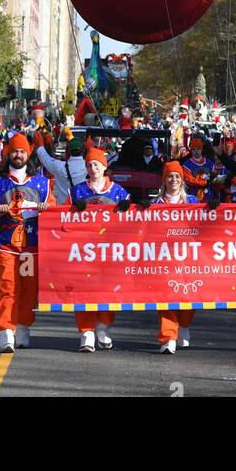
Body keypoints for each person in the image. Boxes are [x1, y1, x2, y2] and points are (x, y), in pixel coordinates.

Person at [0, 132, 55, 352]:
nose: (18, 155)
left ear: (28, 154)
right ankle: (6, 332)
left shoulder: (42, 183)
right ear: (8, 154)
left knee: (29, 289)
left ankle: (23, 327)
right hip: (5, 245)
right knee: (8, 288)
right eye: (14, 151)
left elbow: (53, 206)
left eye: (22, 151)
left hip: (31, 247)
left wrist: (46, 208)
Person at [66, 144, 130, 352]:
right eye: (89, 165)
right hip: (83, 250)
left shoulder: (119, 191)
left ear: (104, 167)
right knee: (83, 290)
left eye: (97, 164)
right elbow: (62, 219)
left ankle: (103, 327)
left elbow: (132, 221)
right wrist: (73, 209)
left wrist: (129, 208)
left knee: (109, 290)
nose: (93, 168)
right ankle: (86, 332)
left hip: (110, 250)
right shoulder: (77, 191)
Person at [153, 161, 199, 352]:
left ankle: (184, 325)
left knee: (191, 294)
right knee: (166, 297)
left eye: (177, 176)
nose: (174, 180)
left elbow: (208, 223)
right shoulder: (156, 203)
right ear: (164, 180)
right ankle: (169, 337)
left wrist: (212, 208)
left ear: (182, 180)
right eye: (170, 176)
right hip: (165, 258)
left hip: (190, 258)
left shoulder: (193, 202)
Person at [34, 130, 88, 204]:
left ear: (68, 151)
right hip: (83, 209)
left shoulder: (59, 167)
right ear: (83, 151)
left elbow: (45, 159)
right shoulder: (89, 166)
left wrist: (40, 145)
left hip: (63, 211)